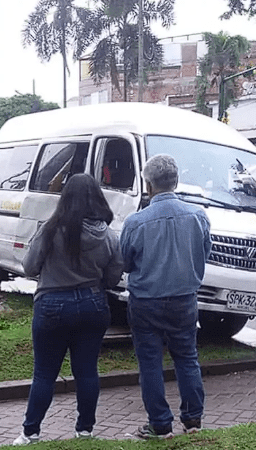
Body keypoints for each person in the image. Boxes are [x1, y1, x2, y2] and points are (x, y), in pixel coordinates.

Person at [14, 174, 123, 445]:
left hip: (52, 305)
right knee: (87, 371)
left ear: (65, 199)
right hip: (93, 304)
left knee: (44, 374)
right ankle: (85, 430)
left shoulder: (51, 230)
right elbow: (113, 277)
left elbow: (29, 267)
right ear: (97, 198)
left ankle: (31, 432)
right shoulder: (108, 236)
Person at [120, 154, 210, 439]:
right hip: (184, 299)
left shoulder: (135, 222)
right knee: (187, 357)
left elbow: (127, 262)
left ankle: (159, 423)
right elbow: (203, 253)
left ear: (148, 185)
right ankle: (193, 419)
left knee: (150, 363)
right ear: (176, 181)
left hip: (146, 300)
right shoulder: (198, 216)